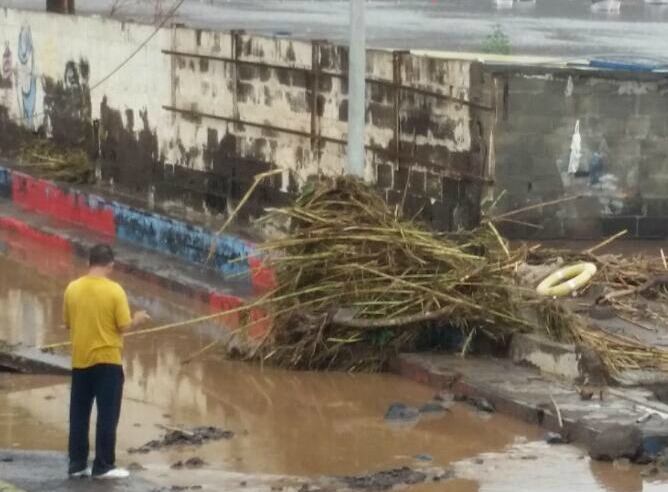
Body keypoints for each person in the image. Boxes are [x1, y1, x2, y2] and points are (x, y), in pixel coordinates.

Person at [63, 244, 150, 479]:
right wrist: (138, 319)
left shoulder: (72, 288)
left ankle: (77, 464)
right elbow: (123, 326)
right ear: (110, 265)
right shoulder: (114, 291)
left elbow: (68, 324)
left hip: (80, 361)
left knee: (78, 416)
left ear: (89, 263)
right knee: (107, 415)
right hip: (108, 362)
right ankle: (103, 466)